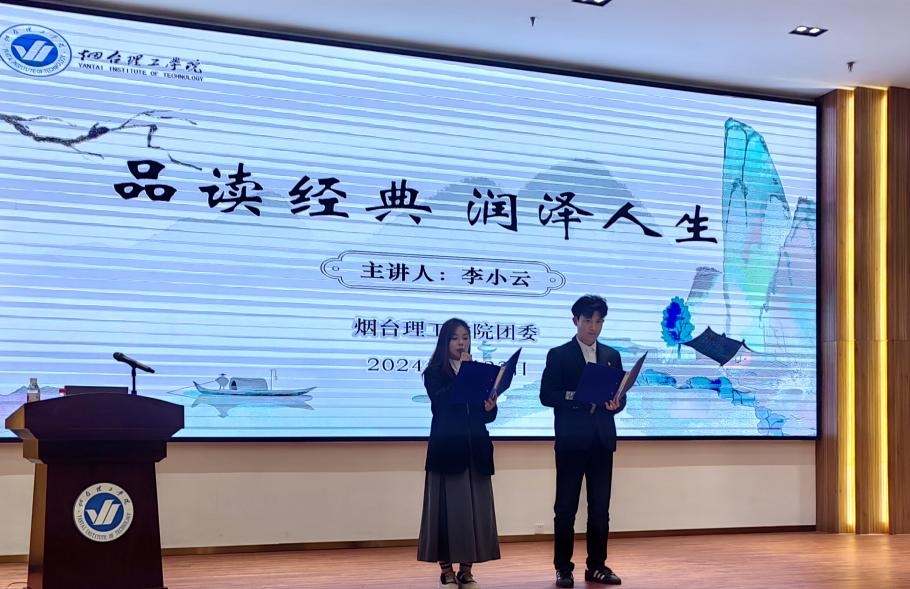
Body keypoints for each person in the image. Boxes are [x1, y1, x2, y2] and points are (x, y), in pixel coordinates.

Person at [540, 295, 626, 587]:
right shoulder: (559, 355)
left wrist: (616, 404)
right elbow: (546, 395)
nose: (593, 326)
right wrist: (577, 397)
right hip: (571, 440)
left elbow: (620, 395)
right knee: (565, 509)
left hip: (602, 439)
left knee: (600, 508)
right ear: (575, 320)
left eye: (599, 321)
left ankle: (597, 566)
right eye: (588, 320)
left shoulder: (612, 355)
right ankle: (563, 568)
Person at [417, 318, 502, 589]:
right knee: (446, 513)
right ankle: (446, 571)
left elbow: (485, 416)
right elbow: (442, 403)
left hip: (475, 450)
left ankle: (466, 571)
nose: (461, 342)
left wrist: (490, 407)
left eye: (465, 337)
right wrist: (465, 375)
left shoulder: (478, 372)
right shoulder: (434, 372)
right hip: (447, 450)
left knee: (474, 513)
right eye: (455, 338)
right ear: (445, 342)